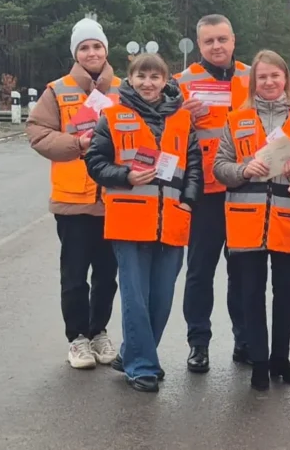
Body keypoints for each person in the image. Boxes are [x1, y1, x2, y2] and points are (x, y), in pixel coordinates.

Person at [85, 52, 203, 393]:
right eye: (141, 77)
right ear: (130, 79)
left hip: (173, 219)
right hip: (129, 218)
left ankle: (131, 352)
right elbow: (94, 161)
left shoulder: (181, 119)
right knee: (136, 296)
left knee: (162, 298)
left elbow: (193, 164)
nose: (148, 83)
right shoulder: (113, 115)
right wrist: (126, 175)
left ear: (165, 81)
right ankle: (142, 366)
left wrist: (189, 198)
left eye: (155, 77)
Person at [214, 50, 290, 391]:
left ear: (286, 78)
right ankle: (259, 361)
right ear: (253, 82)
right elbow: (219, 167)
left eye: (275, 76)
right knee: (250, 294)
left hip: (288, 217)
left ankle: (281, 359)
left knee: (285, 292)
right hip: (245, 220)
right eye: (262, 77)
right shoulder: (236, 119)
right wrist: (244, 170)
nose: (269, 82)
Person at [26, 16, 121, 370]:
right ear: (76, 53)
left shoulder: (123, 89)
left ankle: (99, 331)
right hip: (73, 201)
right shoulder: (58, 90)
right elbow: (37, 132)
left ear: (106, 49)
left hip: (114, 200)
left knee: (107, 275)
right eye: (84, 47)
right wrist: (76, 143)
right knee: (74, 275)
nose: (92, 52)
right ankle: (77, 338)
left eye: (97, 46)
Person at [172, 14, 251, 373]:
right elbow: (160, 131)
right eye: (209, 41)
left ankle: (244, 340)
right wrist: (177, 114)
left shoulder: (254, 76)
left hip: (246, 188)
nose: (217, 47)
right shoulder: (181, 83)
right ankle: (198, 343)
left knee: (243, 272)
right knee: (200, 271)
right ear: (198, 44)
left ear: (234, 39)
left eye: (222, 39)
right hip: (204, 192)